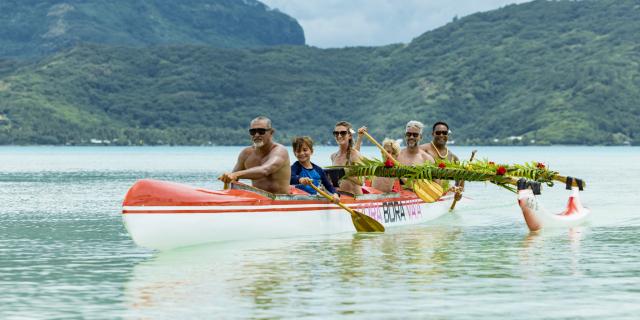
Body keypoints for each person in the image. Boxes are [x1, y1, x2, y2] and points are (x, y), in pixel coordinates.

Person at [218, 116, 291, 194]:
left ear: (271, 132)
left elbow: (265, 170)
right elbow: (233, 179)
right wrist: (227, 178)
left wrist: (236, 175)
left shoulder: (280, 151)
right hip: (257, 200)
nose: (256, 135)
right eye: (253, 132)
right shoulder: (246, 153)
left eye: (261, 131)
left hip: (280, 200)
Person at [330, 121, 363, 195]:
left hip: (354, 199)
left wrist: (344, 173)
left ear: (350, 136)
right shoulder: (333, 156)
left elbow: (361, 181)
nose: (339, 136)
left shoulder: (355, 155)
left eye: (343, 133)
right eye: (336, 133)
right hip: (339, 197)